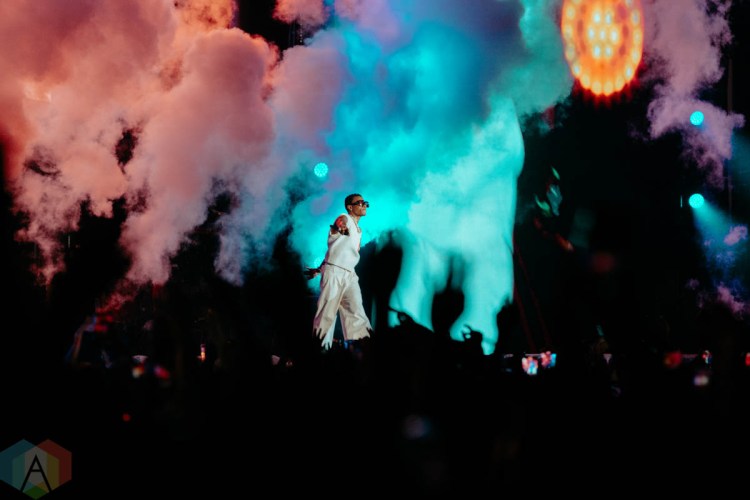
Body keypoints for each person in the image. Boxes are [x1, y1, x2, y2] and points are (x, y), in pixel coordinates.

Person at [306, 193, 373, 350]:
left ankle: (362, 349)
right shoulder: (345, 218)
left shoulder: (358, 230)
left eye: (365, 202)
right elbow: (339, 223)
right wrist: (339, 226)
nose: (364, 205)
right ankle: (320, 351)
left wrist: (319, 269)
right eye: (360, 202)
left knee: (356, 312)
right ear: (350, 207)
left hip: (350, 274)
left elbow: (336, 250)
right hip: (335, 272)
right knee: (327, 313)